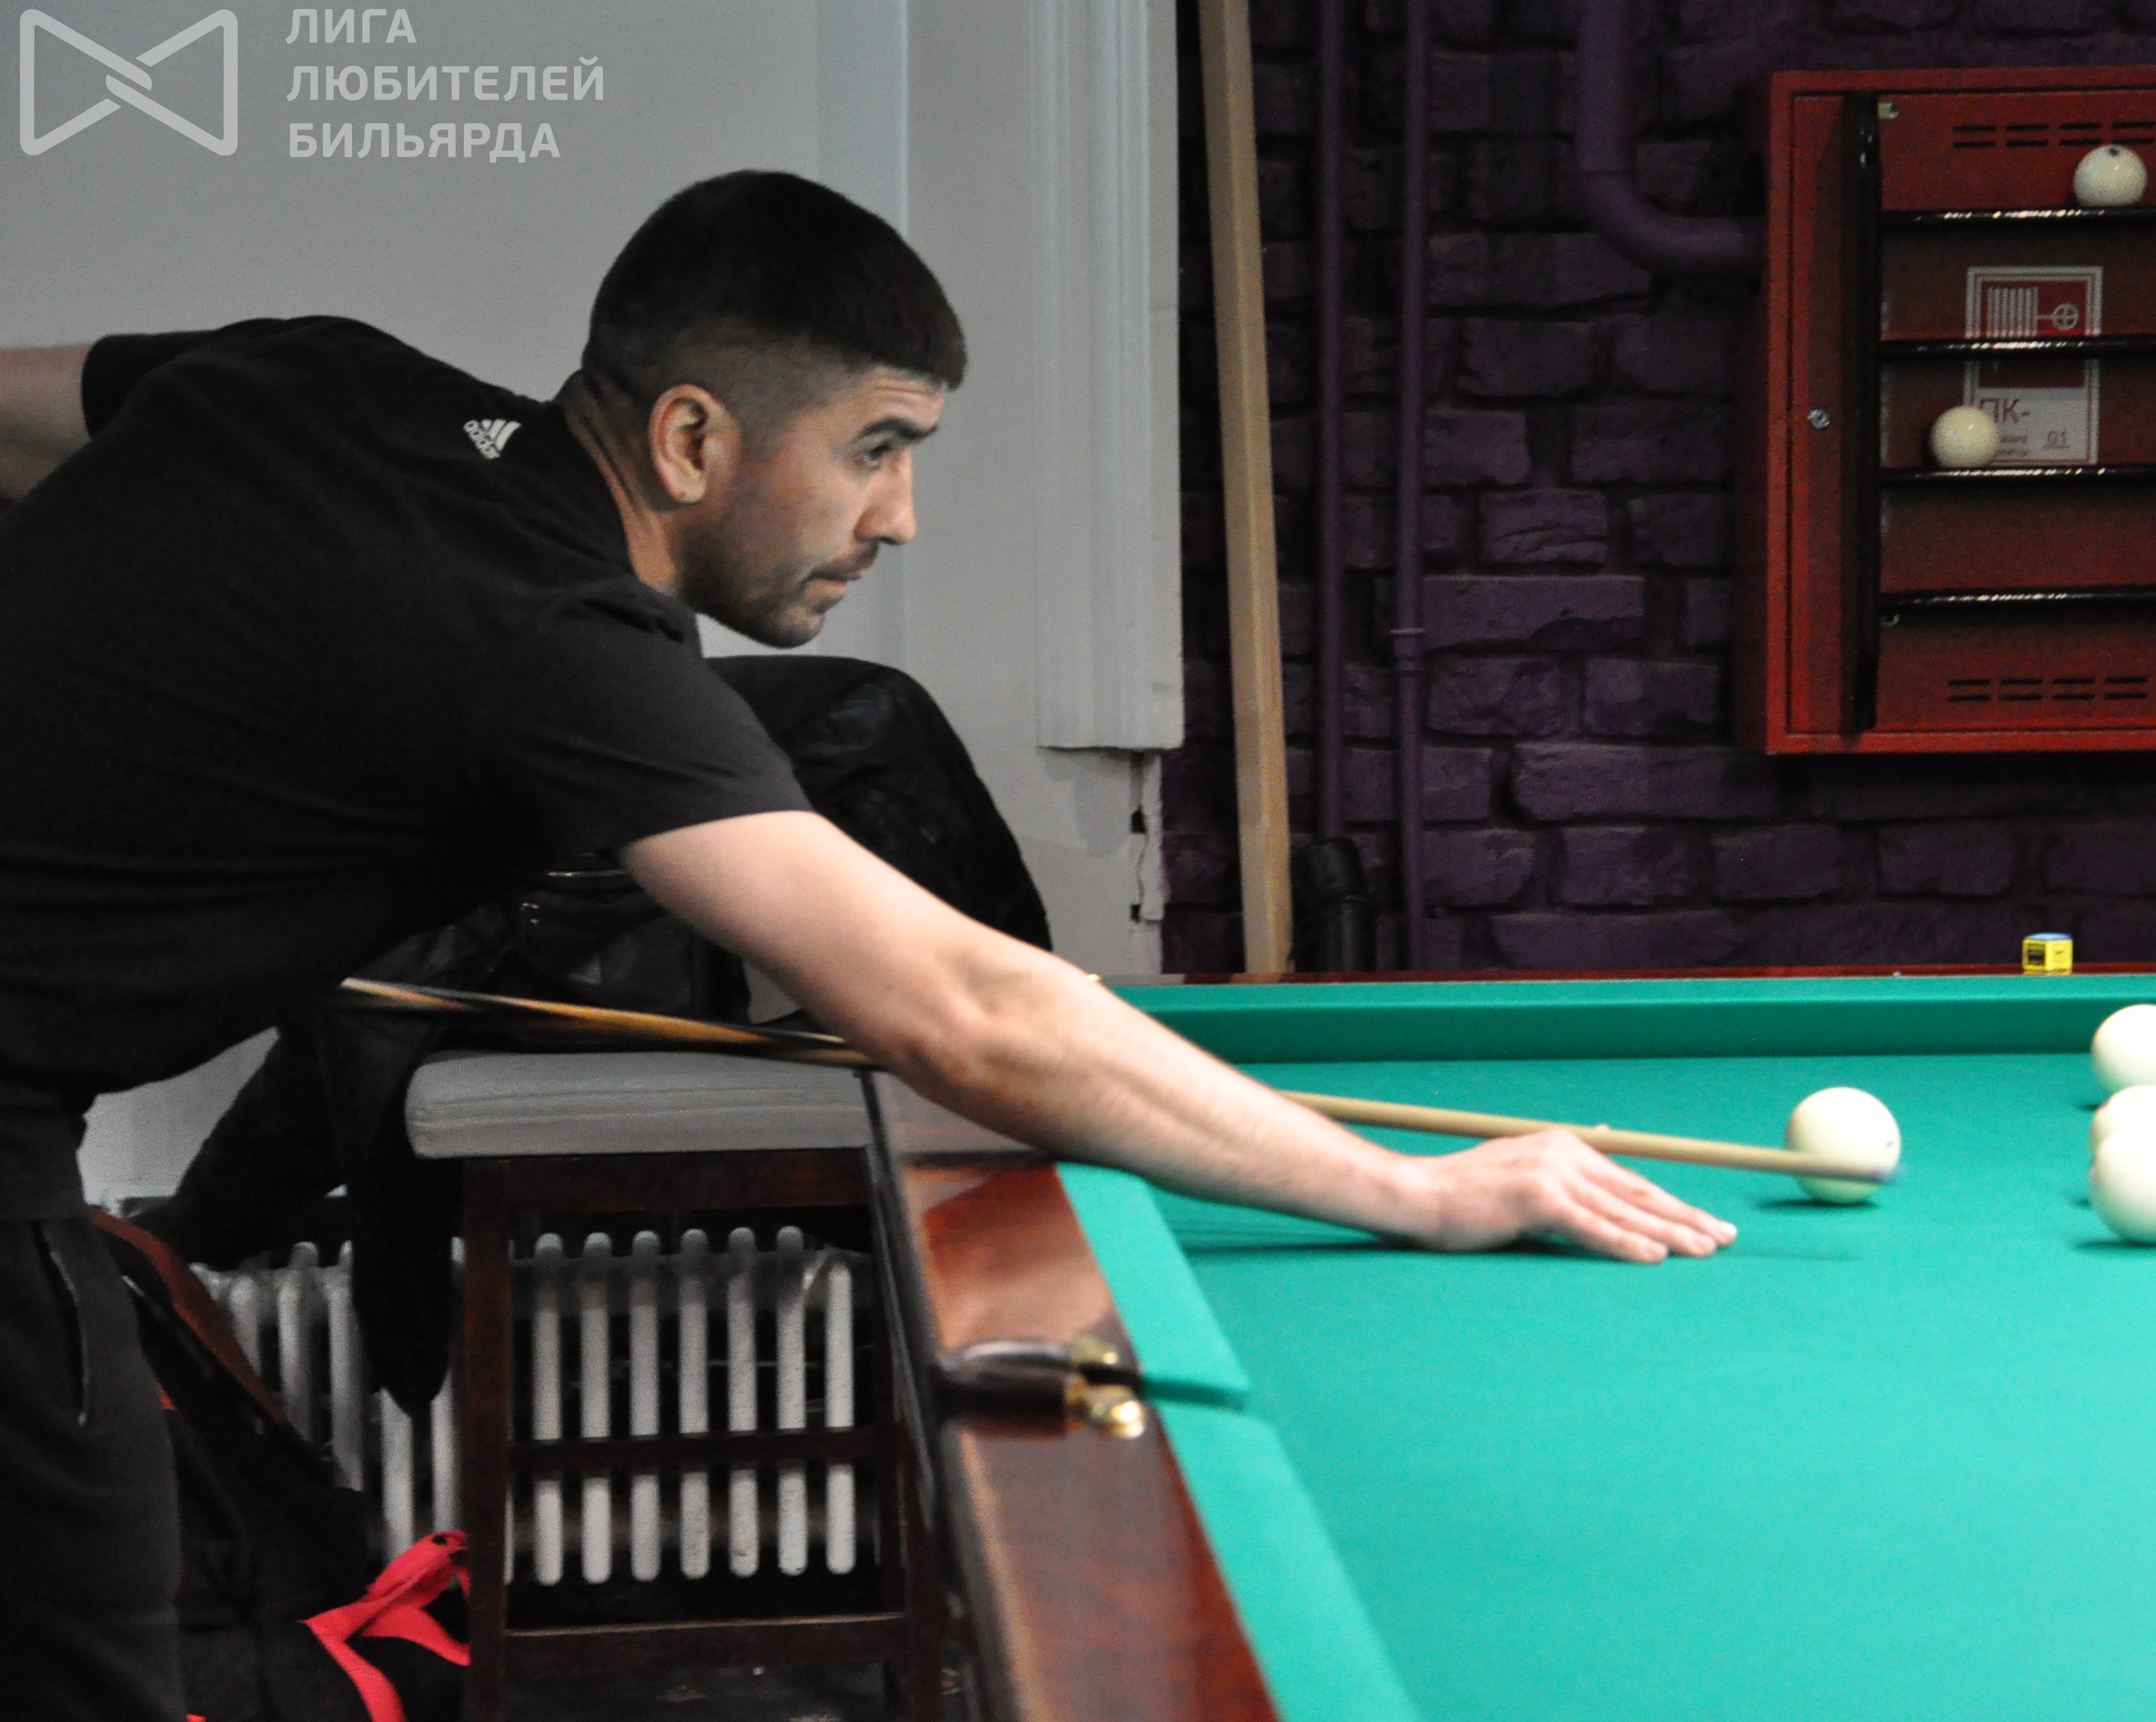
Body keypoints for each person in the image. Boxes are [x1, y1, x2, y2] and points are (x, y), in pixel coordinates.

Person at [0, 170, 1734, 1718]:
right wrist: (1416, 1191)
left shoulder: (321, 377)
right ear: (692, 441)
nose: (898, 518)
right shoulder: (562, 640)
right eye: (875, 449)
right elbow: (962, 1011)